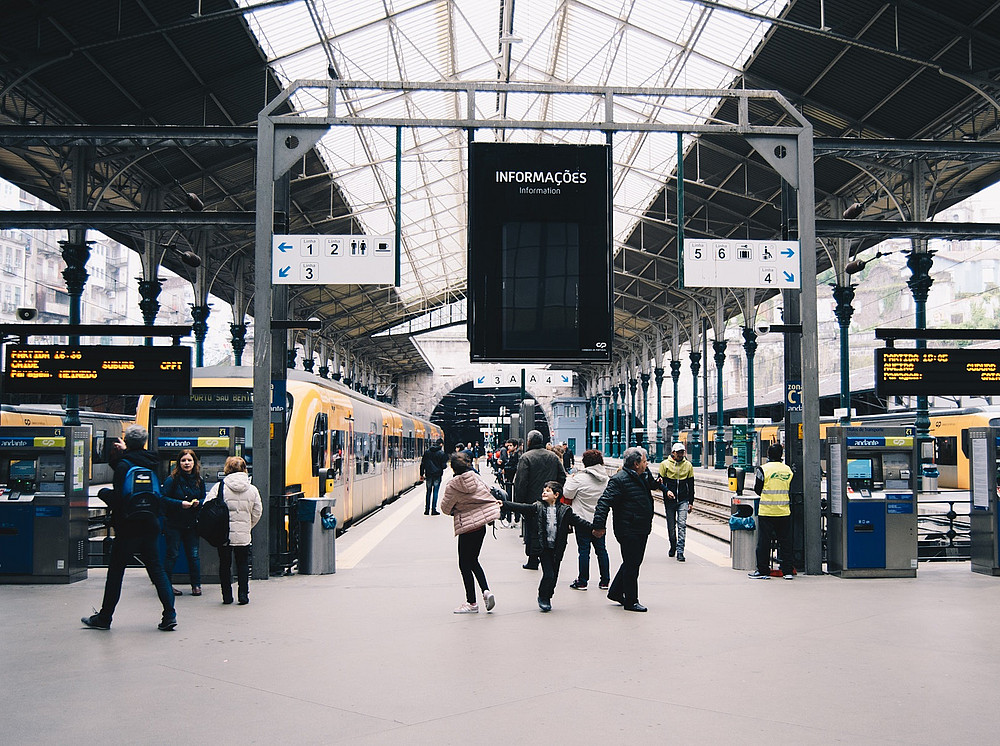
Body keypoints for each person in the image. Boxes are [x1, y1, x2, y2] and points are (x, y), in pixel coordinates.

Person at [81, 425, 177, 631]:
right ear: (144, 442)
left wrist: (103, 493)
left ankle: (104, 617)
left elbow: (118, 497)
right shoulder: (152, 463)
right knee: (157, 570)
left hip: (128, 526)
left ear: (127, 442)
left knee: (116, 573)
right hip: (150, 523)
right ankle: (169, 614)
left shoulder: (124, 465)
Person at [500, 481, 593, 612]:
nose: (544, 492)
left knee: (554, 575)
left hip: (558, 547)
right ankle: (543, 597)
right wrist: (504, 504)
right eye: (544, 490)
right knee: (548, 574)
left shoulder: (565, 510)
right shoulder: (537, 507)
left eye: (548, 491)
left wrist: (593, 529)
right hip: (543, 547)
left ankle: (548, 596)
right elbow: (522, 507)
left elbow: (578, 522)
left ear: (556, 495)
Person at [592, 446, 656, 612]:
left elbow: (653, 485)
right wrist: (599, 526)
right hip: (628, 528)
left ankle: (615, 592)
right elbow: (604, 502)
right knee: (632, 564)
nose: (646, 464)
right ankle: (631, 601)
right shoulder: (619, 480)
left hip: (640, 527)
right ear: (636, 463)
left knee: (632, 562)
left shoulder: (641, 477)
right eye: (644, 461)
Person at [438, 452, 500, 614]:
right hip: (481, 527)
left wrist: (457, 507)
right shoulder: (476, 477)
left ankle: (472, 602)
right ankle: (486, 591)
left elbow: (445, 508)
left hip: (466, 527)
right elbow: (487, 492)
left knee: (464, 564)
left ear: (453, 468)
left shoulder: (452, 485)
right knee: (473, 560)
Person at [203, 456, 262, 604]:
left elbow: (207, 507)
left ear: (227, 469)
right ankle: (243, 595)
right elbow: (257, 512)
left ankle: (227, 596)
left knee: (225, 564)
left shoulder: (220, 487)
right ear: (244, 469)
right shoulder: (252, 489)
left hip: (224, 534)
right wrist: (248, 526)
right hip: (243, 534)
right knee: (242, 564)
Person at [513, 430, 567, 570]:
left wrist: (519, 504)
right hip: (550, 501)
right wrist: (555, 493)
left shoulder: (526, 457)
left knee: (532, 531)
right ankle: (549, 558)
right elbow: (562, 477)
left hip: (532, 502)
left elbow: (521, 483)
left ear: (529, 441)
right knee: (549, 527)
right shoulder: (553, 457)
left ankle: (533, 560)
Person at [161, 448, 207, 596]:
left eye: (189, 460)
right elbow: (163, 499)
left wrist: (198, 503)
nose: (186, 463)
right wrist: (180, 504)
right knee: (172, 554)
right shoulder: (171, 480)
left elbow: (203, 498)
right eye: (183, 460)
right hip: (174, 523)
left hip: (192, 523)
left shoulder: (199, 480)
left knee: (193, 555)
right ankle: (166, 585)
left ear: (194, 462)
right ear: (178, 463)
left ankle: (196, 585)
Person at [563, 449, 610, 591]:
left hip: (581, 519)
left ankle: (583, 581)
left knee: (584, 551)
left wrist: (570, 479)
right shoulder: (606, 479)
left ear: (585, 463)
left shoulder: (579, 478)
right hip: (599, 520)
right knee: (601, 550)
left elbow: (567, 493)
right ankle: (605, 581)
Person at [749, 443, 795, 580]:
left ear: (768, 454)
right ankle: (787, 571)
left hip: (767, 511)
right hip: (784, 511)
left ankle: (763, 570)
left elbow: (757, 489)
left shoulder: (763, 469)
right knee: (785, 542)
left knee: (764, 542)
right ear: (781, 455)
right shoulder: (788, 470)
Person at [658, 442, 695, 562]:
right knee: (671, 526)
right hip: (670, 501)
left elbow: (691, 485)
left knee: (682, 525)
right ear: (673, 453)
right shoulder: (664, 464)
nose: (680, 454)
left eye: (682, 452)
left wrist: (691, 502)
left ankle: (680, 551)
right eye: (678, 452)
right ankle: (673, 544)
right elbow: (660, 482)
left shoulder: (688, 465)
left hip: (683, 500)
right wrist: (667, 491)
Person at [419, 438, 448, 515]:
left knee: (428, 492)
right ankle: (433, 510)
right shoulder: (441, 453)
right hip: (437, 475)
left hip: (428, 474)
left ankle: (426, 510)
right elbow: (444, 466)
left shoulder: (427, 452)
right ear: (441, 444)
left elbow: (422, 464)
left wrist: (421, 474)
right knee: (435, 492)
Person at [500, 439, 520, 524]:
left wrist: (506, 469)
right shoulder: (512, 454)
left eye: (511, 445)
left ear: (515, 446)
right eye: (508, 445)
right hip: (510, 480)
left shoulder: (517, 455)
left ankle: (513, 519)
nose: (508, 447)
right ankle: (511, 519)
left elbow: (515, 467)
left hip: (512, 480)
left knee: (511, 499)